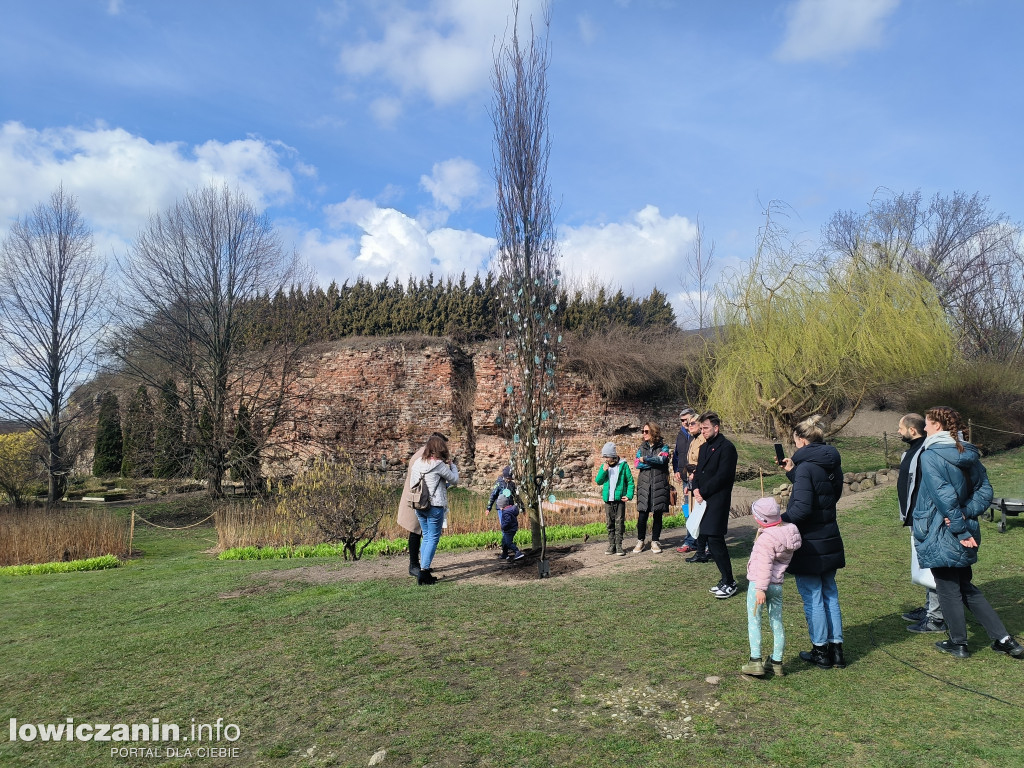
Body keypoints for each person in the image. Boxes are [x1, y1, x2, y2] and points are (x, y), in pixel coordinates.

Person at [912, 405, 1023, 659]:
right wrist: (966, 513)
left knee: (948, 587)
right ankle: (1005, 640)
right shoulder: (967, 452)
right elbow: (984, 490)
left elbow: (944, 496)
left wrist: (960, 526)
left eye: (927, 423)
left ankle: (959, 643)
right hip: (960, 525)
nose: (924, 428)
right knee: (964, 587)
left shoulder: (930, 455)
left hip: (943, 529)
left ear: (936, 426)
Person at [779, 415, 846, 669]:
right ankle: (836, 648)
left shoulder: (806, 467)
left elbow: (802, 509)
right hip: (828, 535)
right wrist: (793, 474)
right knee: (830, 593)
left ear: (801, 440)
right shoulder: (830, 464)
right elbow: (827, 495)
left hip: (809, 541)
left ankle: (820, 649)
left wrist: (776, 521)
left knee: (813, 596)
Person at [742, 497, 802, 677]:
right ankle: (776, 662)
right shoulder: (787, 533)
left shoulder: (766, 540)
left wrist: (760, 588)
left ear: (761, 519)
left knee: (755, 621)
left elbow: (765, 565)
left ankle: (755, 661)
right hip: (777, 585)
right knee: (776, 622)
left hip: (760, 585)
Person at [896, 413, 945, 633]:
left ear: (912, 430)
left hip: (926, 517)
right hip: (916, 518)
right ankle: (929, 609)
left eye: (900, 428)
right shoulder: (913, 450)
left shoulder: (926, 450)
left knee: (932, 565)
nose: (898, 432)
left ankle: (936, 616)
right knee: (924, 564)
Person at [691, 411, 739, 597]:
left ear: (716, 428)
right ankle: (725, 579)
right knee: (711, 539)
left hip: (717, 499)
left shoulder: (727, 448)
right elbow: (698, 471)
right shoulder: (704, 448)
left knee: (716, 540)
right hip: (703, 499)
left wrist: (703, 491)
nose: (702, 431)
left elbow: (723, 476)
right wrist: (695, 488)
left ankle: (729, 581)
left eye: (706, 428)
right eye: (701, 428)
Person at [409, 434, 459, 586]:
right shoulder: (438, 464)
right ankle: (424, 572)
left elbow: (413, 483)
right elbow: (454, 480)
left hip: (419, 505)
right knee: (433, 538)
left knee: (426, 536)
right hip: (434, 505)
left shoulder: (417, 462)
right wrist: (454, 467)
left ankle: (425, 569)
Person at [398, 431, 448, 580]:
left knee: (421, 533)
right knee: (416, 532)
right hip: (421, 498)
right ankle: (415, 565)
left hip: (419, 497)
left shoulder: (423, 454)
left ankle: (421, 565)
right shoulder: (424, 457)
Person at [633, 422, 672, 553]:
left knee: (658, 515)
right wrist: (652, 460)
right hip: (644, 485)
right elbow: (637, 464)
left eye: (646, 431)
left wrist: (646, 459)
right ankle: (640, 541)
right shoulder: (641, 448)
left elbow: (663, 460)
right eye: (643, 431)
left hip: (659, 484)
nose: (643, 434)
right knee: (642, 515)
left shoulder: (664, 447)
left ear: (653, 432)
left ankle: (655, 541)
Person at [595, 441, 635, 556]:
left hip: (619, 500)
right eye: (604, 457)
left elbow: (630, 482)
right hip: (608, 500)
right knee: (610, 523)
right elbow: (598, 481)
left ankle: (619, 545)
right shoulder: (604, 467)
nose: (605, 459)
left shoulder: (623, 465)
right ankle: (611, 545)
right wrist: (603, 471)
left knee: (619, 523)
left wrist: (629, 495)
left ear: (612, 455)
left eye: (606, 456)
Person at [680, 413, 709, 558]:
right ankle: (698, 545)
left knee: (702, 514)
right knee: (692, 512)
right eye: (688, 423)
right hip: (692, 480)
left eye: (692, 423)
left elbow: (702, 462)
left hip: (700, 480)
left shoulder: (703, 440)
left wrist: (695, 477)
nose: (688, 425)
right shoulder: (693, 440)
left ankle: (706, 547)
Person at [486, 465, 525, 561]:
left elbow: (517, 497)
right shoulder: (499, 484)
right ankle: (505, 552)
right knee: (505, 529)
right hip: (501, 509)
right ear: (504, 476)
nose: (509, 480)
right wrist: (488, 508)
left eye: (510, 478)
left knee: (508, 529)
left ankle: (507, 550)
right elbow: (493, 496)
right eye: (508, 478)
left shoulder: (512, 485)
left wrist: (522, 507)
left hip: (510, 509)